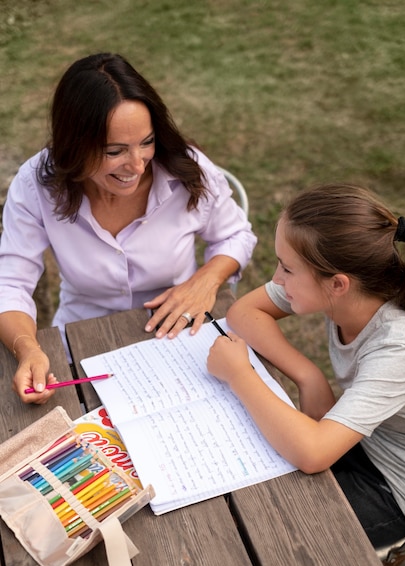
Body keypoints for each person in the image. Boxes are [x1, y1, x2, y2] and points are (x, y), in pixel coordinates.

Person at [0, 52, 256, 405]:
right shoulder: (35, 184)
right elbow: (11, 281)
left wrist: (206, 279)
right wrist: (28, 349)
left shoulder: (187, 171)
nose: (136, 165)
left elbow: (236, 235)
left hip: (179, 333)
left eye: (147, 142)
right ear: (74, 145)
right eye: (115, 151)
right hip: (79, 342)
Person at [207, 183, 405, 548]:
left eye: (287, 268)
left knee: (257, 532)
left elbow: (313, 453)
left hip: (393, 486)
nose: (276, 278)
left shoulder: (399, 346)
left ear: (337, 284)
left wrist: (239, 374)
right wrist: (309, 376)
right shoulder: (354, 288)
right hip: (360, 439)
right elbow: (243, 312)